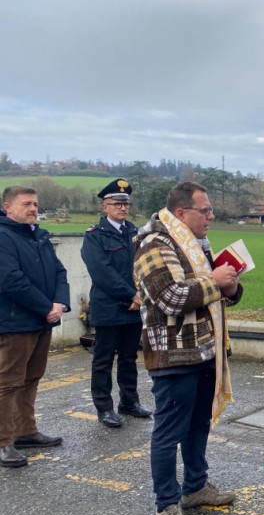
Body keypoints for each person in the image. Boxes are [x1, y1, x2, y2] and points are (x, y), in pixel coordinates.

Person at [133, 182, 243, 515]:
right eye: (205, 210)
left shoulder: (196, 243)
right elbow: (168, 297)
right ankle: (166, 504)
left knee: (199, 424)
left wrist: (231, 286)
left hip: (206, 350)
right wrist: (214, 281)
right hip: (173, 354)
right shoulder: (153, 242)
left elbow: (215, 291)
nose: (211, 216)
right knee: (168, 432)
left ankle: (195, 486)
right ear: (182, 213)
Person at [0, 186, 69, 468]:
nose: (33, 208)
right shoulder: (4, 236)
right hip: (16, 322)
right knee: (8, 382)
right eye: (26, 204)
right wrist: (46, 307)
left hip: (42, 321)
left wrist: (60, 303)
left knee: (32, 377)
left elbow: (59, 272)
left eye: (35, 203)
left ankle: (25, 431)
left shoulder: (38, 235)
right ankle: (4, 442)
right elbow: (11, 280)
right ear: (8, 207)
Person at [81, 179, 151, 428]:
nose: (123, 208)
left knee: (129, 358)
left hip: (134, 306)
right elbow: (102, 272)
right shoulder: (94, 236)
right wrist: (130, 295)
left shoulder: (135, 233)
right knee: (103, 359)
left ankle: (129, 402)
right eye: (117, 204)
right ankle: (104, 408)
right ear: (105, 207)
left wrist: (139, 296)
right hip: (109, 307)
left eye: (126, 203)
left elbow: (144, 267)